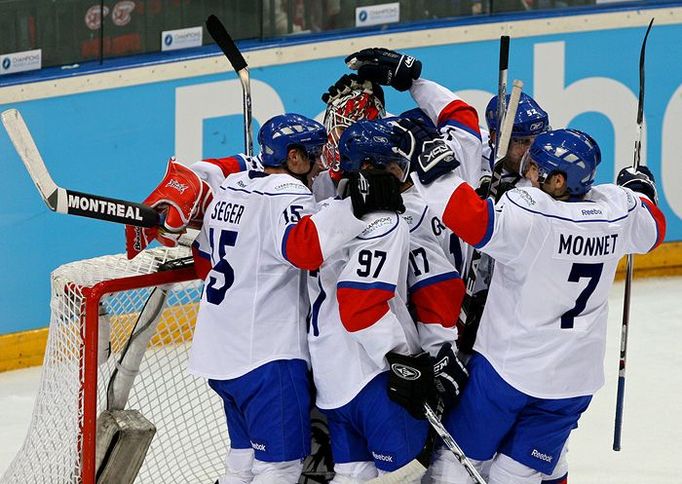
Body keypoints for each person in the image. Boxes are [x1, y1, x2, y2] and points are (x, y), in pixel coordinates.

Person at [130, 113, 403, 483]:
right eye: (314, 155)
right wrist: (354, 206)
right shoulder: (290, 194)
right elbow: (304, 251)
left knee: (241, 462)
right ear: (293, 157)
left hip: (219, 353)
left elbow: (204, 263)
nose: (321, 164)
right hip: (266, 357)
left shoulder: (231, 189)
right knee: (280, 468)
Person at [409, 128, 666, 483]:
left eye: (536, 169)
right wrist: (640, 191)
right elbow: (654, 227)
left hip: (507, 372)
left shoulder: (533, 215)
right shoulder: (616, 209)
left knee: (457, 465)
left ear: (558, 181)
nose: (528, 173)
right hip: (571, 382)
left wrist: (433, 173)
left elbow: (470, 219)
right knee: (515, 478)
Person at [305, 119, 467, 483]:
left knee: (353, 476)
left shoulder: (322, 214)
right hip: (376, 375)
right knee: (405, 477)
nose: (402, 176)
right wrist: (406, 360)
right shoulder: (389, 221)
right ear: (367, 167)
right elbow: (361, 306)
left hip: (331, 378)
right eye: (394, 167)